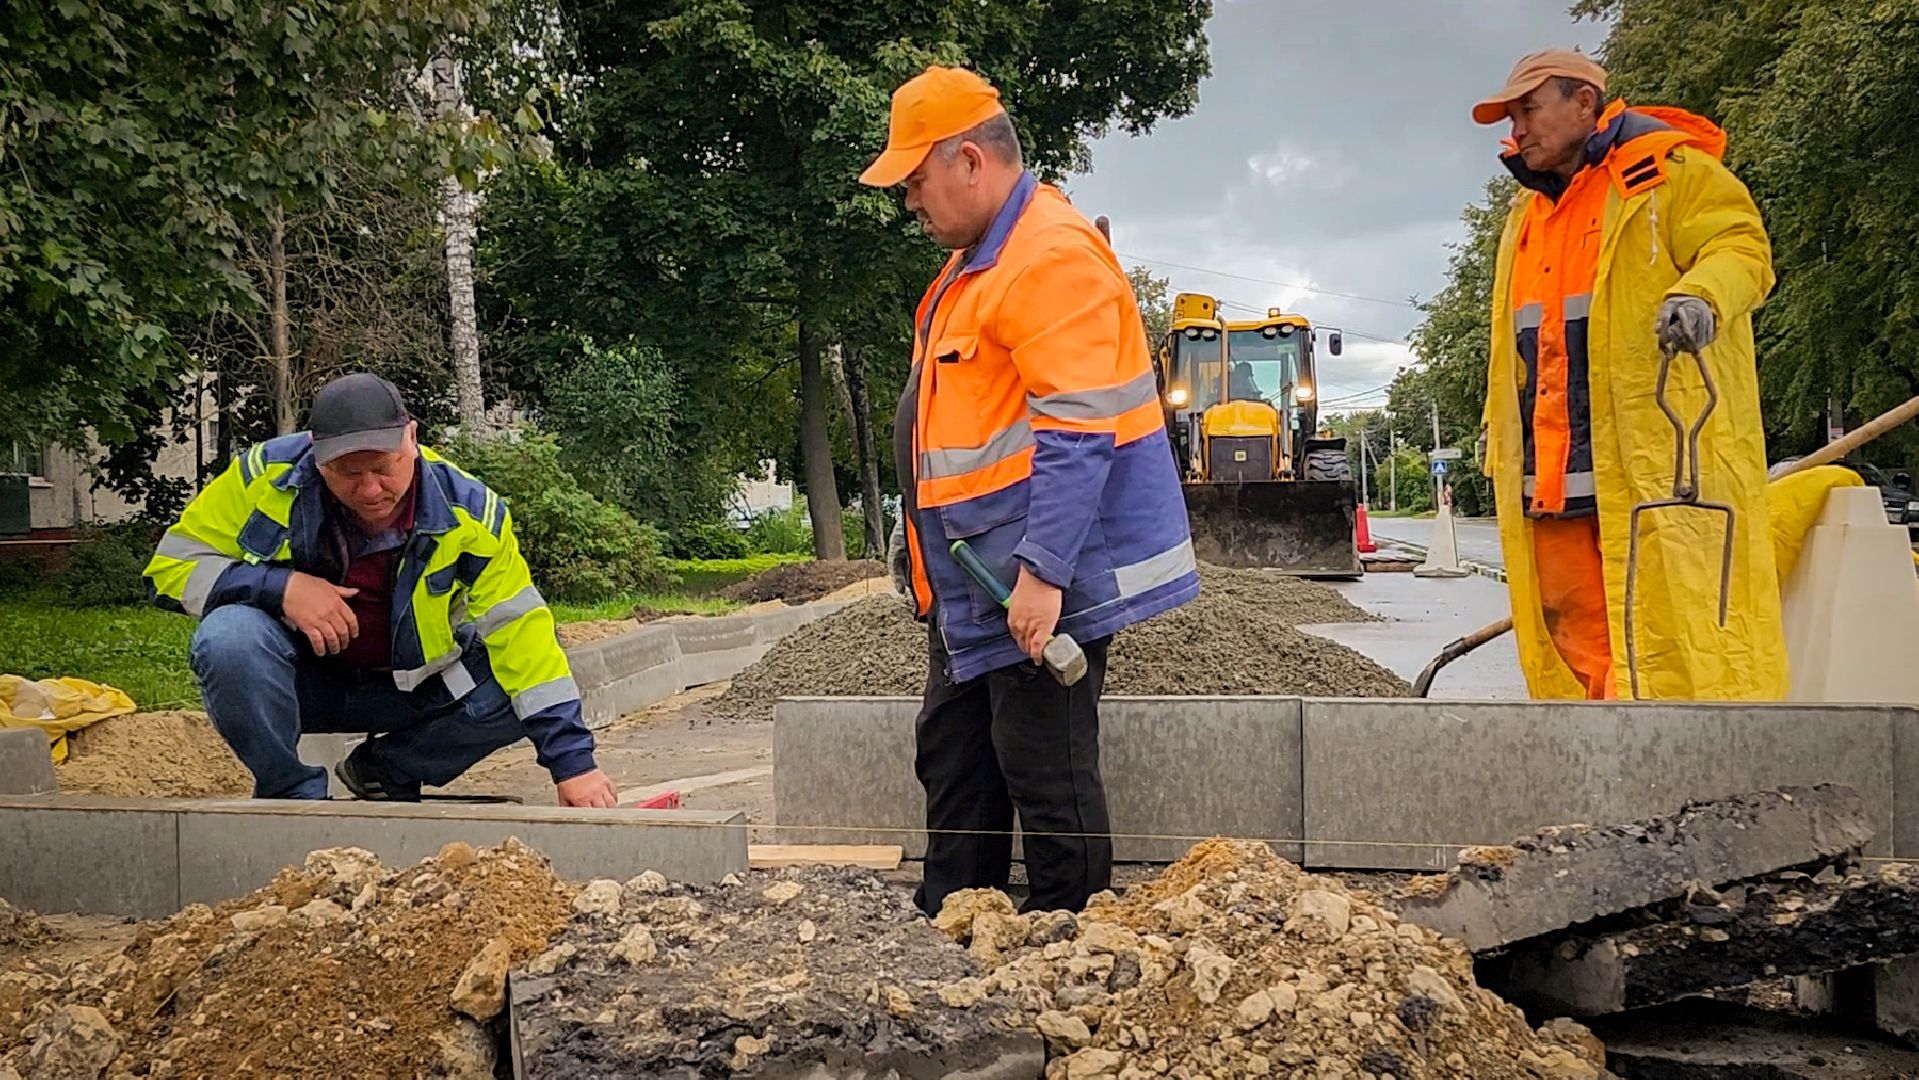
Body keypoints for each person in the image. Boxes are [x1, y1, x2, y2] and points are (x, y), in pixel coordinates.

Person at [862, 66, 1198, 915]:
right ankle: (954, 931)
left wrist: (1043, 573)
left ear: (969, 160)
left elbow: (1077, 431)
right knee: (955, 758)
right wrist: (920, 542)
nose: (909, 201)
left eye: (914, 180)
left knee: (1043, 767)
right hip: (975, 576)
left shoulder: (1047, 255)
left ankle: (1069, 944)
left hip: (1028, 576)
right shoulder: (975, 266)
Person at [143, 373, 619, 805]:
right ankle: (292, 796)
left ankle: (385, 771)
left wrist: (573, 764)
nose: (370, 490)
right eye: (349, 473)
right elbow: (170, 568)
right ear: (315, 453)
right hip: (297, 684)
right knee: (228, 636)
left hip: (415, 690)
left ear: (410, 438)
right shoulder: (264, 478)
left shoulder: (471, 510)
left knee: (522, 676)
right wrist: (279, 587)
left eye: (383, 468)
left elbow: (521, 632)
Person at [1473, 49, 1784, 700]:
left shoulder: (1667, 178)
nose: (1516, 129)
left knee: (1670, 639)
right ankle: (1598, 764)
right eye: (1511, 117)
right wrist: (1495, 435)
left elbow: (1741, 248)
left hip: (1654, 472)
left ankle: (1674, 768)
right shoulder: (1525, 220)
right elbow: (1518, 348)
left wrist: (1701, 295)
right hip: (1552, 481)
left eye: (1528, 110)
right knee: (1573, 643)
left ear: (1583, 102)